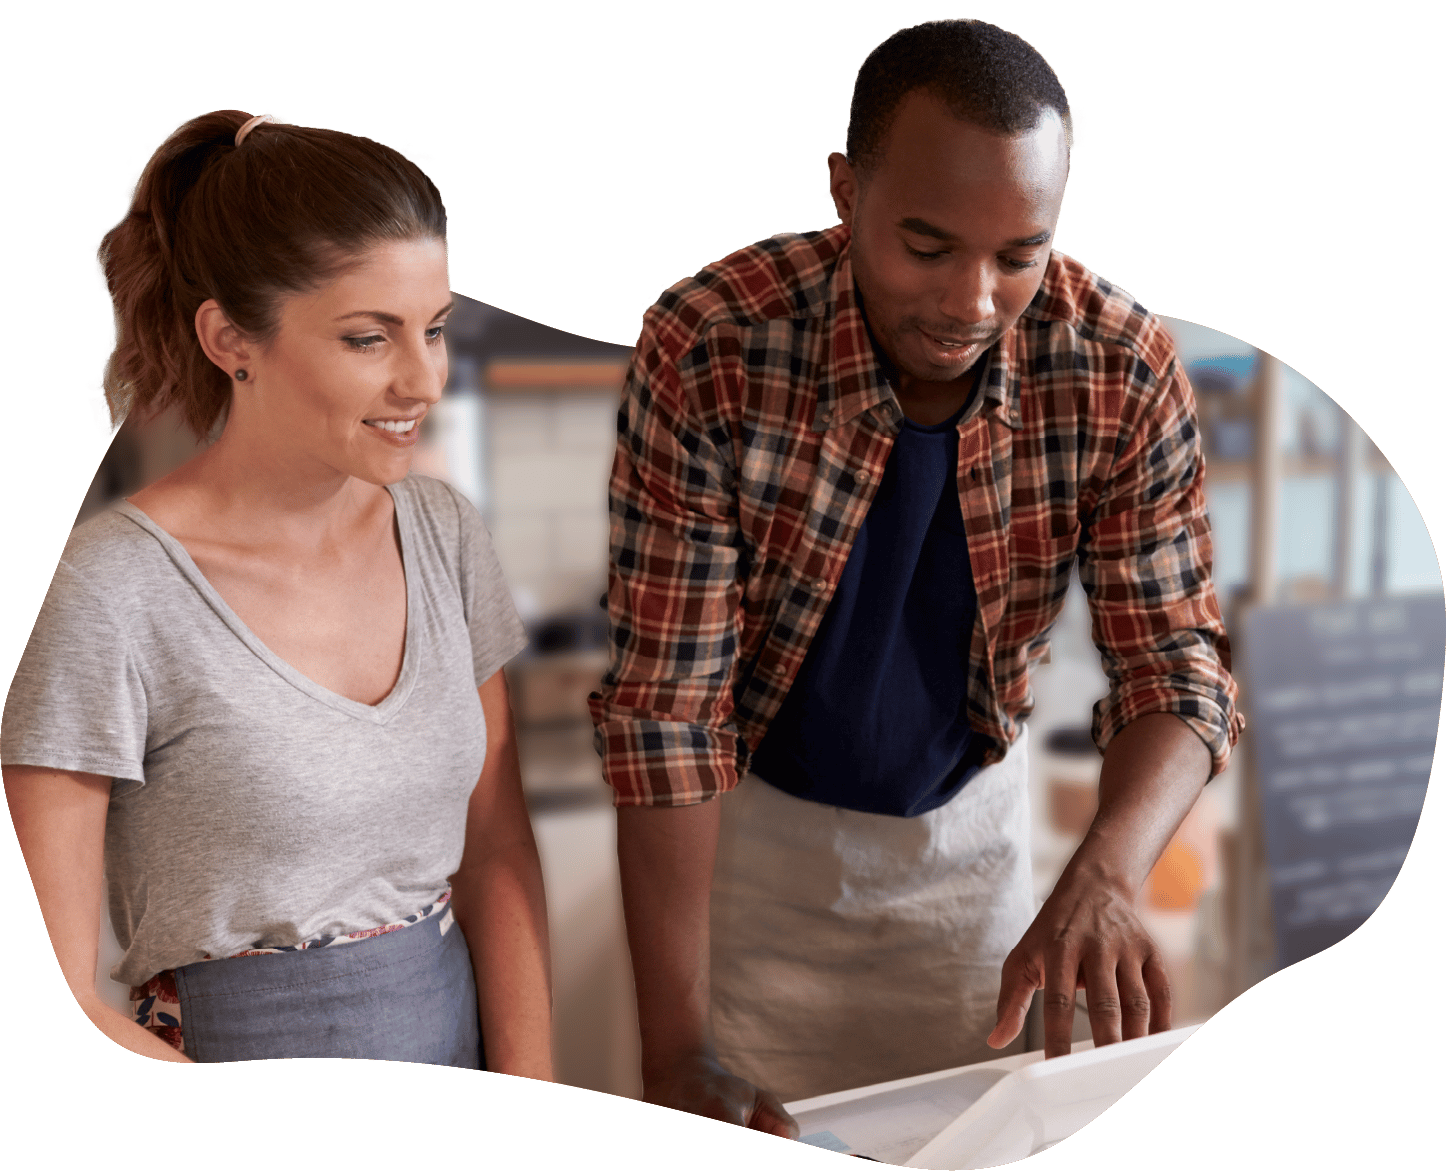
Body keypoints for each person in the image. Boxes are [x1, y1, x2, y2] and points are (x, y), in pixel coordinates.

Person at [588, 18, 1242, 1132]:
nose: (971, 302)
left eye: (1018, 254)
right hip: (750, 868)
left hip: (972, 859)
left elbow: (1177, 666)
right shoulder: (712, 346)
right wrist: (677, 1051)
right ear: (846, 192)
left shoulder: (1118, 366)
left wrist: (1106, 873)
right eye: (927, 246)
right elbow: (670, 716)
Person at [1, 109, 553, 1073]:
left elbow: (498, 848)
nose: (425, 379)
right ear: (230, 339)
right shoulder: (113, 589)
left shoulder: (443, 532)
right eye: (367, 339)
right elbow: (49, 997)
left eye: (434, 328)